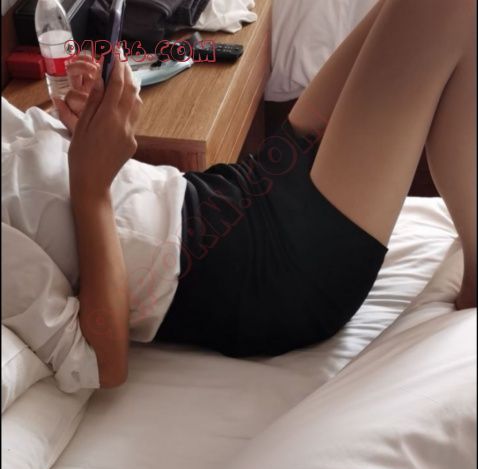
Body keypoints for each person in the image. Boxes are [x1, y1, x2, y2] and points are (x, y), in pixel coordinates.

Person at [4, 0, 476, 390]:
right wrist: (91, 185)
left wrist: (80, 128)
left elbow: (49, 192)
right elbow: (102, 364)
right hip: (267, 275)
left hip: (233, 194)